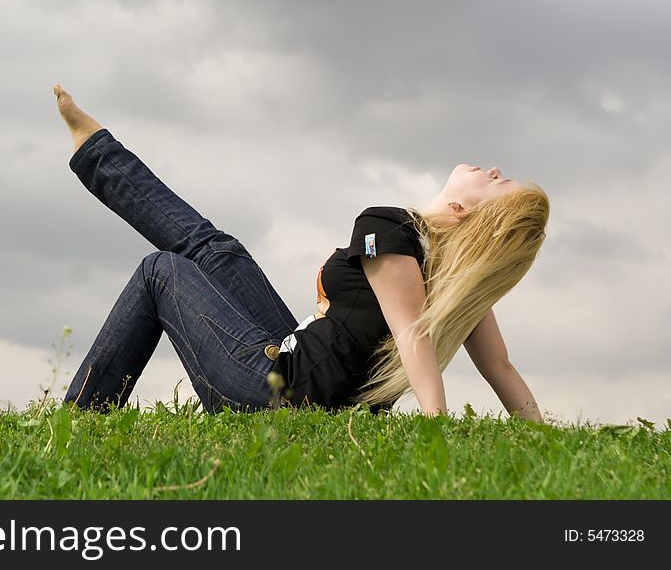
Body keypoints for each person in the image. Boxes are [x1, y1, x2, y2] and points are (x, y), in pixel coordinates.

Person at [54, 84, 549, 421]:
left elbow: (411, 335)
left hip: (276, 392)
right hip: (295, 365)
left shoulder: (389, 228)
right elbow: (500, 369)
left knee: (161, 271)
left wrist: (435, 426)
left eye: (500, 182)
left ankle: (81, 418)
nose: (495, 168)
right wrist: (541, 439)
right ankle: (98, 151)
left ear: (464, 211)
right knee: (219, 251)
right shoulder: (451, 283)